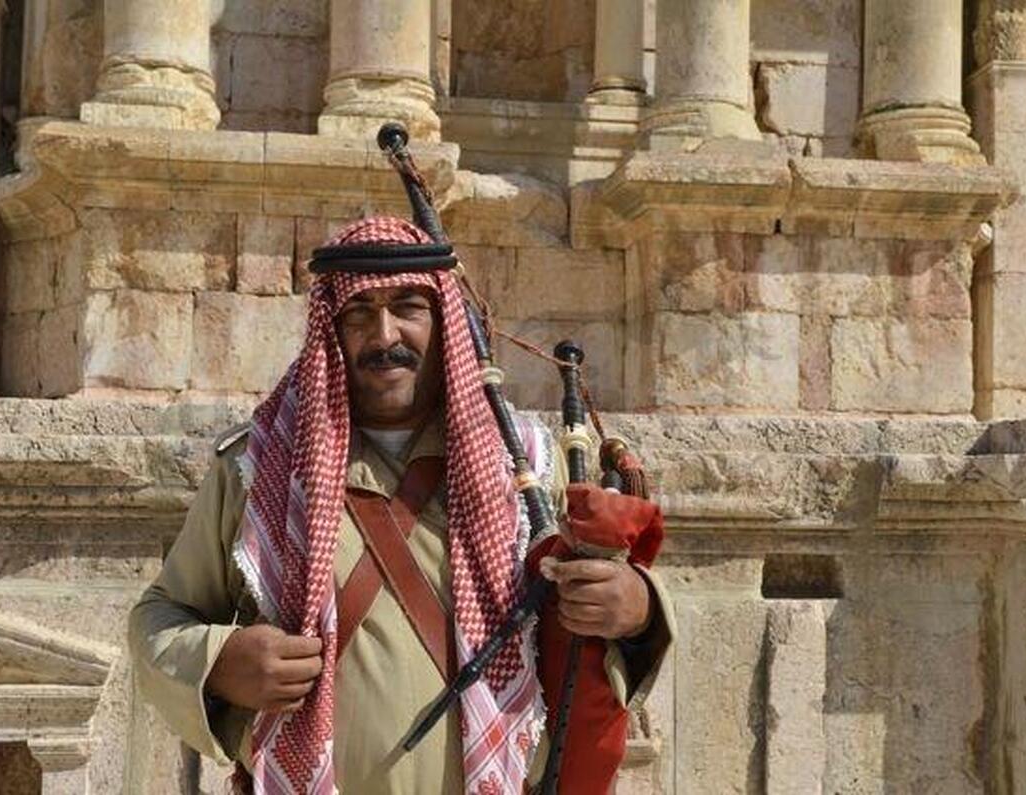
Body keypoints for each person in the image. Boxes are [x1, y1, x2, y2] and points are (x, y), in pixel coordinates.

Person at [127, 215, 675, 794]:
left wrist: (637, 609)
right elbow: (160, 616)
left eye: (408, 308)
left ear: (445, 323)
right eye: (359, 314)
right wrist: (221, 662)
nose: (384, 335)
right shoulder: (256, 468)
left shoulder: (529, 466)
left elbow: (593, 628)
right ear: (331, 330)